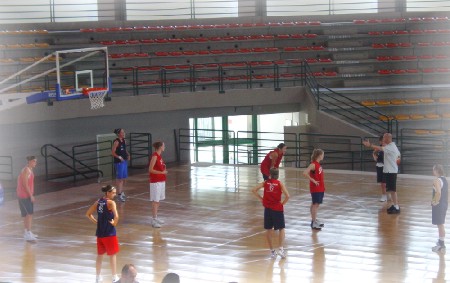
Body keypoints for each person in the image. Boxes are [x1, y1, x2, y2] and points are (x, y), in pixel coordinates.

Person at [252, 168, 290, 259]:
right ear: (277, 175)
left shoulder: (265, 183)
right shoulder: (279, 184)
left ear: (270, 175)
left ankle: (272, 251)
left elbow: (253, 190)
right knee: (281, 228)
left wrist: (261, 199)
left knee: (268, 229)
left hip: (268, 209)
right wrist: (282, 203)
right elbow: (288, 196)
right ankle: (281, 249)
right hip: (277, 209)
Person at [86, 185, 120, 283]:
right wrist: (114, 223)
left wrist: (96, 222)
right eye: (113, 193)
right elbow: (116, 216)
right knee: (112, 255)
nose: (114, 194)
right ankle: (114, 277)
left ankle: (97, 277)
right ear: (108, 193)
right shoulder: (111, 203)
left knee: (100, 255)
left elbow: (88, 214)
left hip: (100, 233)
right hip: (109, 233)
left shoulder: (98, 202)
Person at [363, 133, 401, 214]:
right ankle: (395, 205)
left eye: (383, 138)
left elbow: (380, 148)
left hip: (391, 171)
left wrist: (370, 145)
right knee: (392, 190)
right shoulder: (391, 146)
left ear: (387, 138)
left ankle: (396, 207)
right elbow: (398, 157)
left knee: (393, 190)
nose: (382, 139)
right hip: (390, 171)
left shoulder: (390, 147)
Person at [303, 149, 326, 230]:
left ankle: (314, 220)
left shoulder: (318, 165)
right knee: (315, 205)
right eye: (322, 154)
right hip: (316, 188)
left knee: (315, 204)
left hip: (320, 187)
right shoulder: (313, 164)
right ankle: (313, 222)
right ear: (319, 155)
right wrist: (313, 180)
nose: (323, 156)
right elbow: (305, 173)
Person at [17, 156, 38, 242]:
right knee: (28, 214)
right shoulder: (26, 170)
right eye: (34, 161)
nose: (35, 163)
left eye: (35, 161)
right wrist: (31, 195)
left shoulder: (30, 170)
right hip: (24, 196)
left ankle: (27, 232)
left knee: (29, 214)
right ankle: (27, 233)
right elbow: (25, 184)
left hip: (27, 195)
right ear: (29, 161)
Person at [149, 141, 168, 228]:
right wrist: (161, 172)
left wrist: (163, 170)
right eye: (163, 145)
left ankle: (156, 218)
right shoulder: (155, 156)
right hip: (155, 181)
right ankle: (153, 220)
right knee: (155, 201)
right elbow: (150, 169)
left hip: (161, 180)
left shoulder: (159, 156)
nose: (164, 147)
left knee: (158, 201)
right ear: (160, 147)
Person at [431, 164, 448, 253]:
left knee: (440, 224)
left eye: (433, 170)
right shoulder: (444, 180)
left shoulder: (437, 180)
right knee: (441, 224)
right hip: (444, 204)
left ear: (436, 171)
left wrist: (434, 202)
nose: (432, 172)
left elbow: (438, 193)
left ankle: (441, 245)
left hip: (439, 205)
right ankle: (441, 242)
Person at [112, 128, 130, 202]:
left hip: (124, 161)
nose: (124, 133)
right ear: (119, 134)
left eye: (124, 132)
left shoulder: (124, 141)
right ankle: (118, 195)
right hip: (119, 162)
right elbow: (113, 152)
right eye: (122, 132)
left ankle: (121, 192)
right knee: (119, 179)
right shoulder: (116, 142)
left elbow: (124, 150)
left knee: (123, 178)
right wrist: (119, 157)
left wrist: (128, 154)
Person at [372, 135, 387, 202]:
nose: (383, 142)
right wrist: (374, 156)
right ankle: (384, 195)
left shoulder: (387, 148)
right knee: (382, 183)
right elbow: (374, 154)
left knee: (384, 183)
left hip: (386, 167)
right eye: (382, 141)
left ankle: (385, 195)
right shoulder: (378, 148)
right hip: (379, 166)